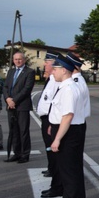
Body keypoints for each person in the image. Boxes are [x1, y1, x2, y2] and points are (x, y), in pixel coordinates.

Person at [47, 55, 86, 198]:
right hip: (67, 129)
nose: (52, 71)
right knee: (71, 171)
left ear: (64, 70)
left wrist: (57, 139)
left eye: (55, 69)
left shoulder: (69, 88)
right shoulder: (65, 86)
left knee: (68, 173)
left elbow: (68, 115)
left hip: (69, 132)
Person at [4, 51, 35, 163]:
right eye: (16, 59)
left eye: (20, 59)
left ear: (24, 60)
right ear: (13, 60)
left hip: (22, 106)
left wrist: (14, 101)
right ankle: (16, 153)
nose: (17, 61)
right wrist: (8, 99)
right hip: (10, 106)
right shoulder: (11, 71)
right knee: (14, 131)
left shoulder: (29, 72)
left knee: (23, 131)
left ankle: (25, 154)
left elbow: (26, 89)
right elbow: (6, 87)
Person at [35, 53, 58, 189]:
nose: (44, 64)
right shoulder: (50, 79)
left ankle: (54, 170)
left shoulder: (55, 80)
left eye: (47, 62)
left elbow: (53, 102)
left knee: (51, 146)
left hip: (50, 119)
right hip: (46, 118)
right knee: (48, 146)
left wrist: (50, 121)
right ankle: (51, 168)